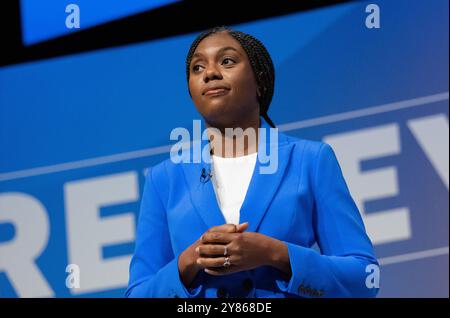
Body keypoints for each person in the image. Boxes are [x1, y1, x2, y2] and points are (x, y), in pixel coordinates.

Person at [125, 26, 379, 298]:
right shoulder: (164, 178)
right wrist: (188, 262)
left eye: (227, 61)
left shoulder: (310, 160)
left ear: (260, 80)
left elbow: (364, 279)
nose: (210, 73)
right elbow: (138, 293)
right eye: (198, 68)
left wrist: (275, 253)